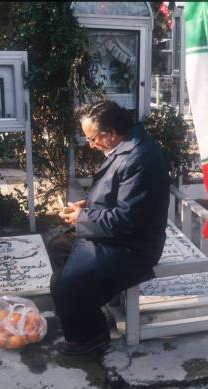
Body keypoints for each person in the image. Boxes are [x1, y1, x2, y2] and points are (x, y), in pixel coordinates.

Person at [46, 100, 170, 355]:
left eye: (93, 139)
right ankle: (85, 308)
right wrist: (87, 206)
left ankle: (90, 337)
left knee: (64, 284)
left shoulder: (141, 159)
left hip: (132, 245)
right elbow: (116, 196)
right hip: (111, 231)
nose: (91, 145)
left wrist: (83, 217)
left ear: (111, 133)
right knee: (57, 246)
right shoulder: (125, 147)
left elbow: (127, 219)